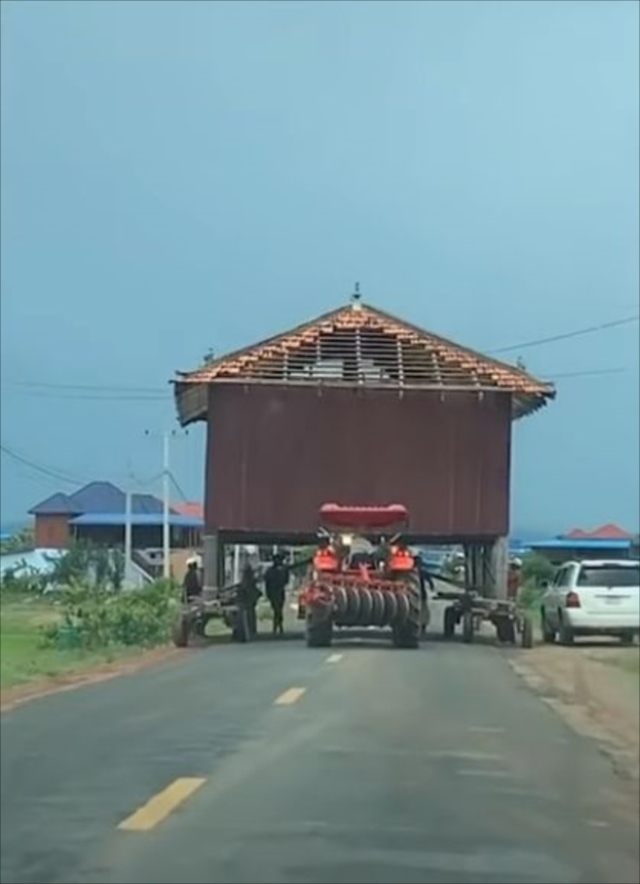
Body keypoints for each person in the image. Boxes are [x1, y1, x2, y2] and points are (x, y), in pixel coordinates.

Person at [264, 554, 289, 635]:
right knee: (277, 610)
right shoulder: (270, 571)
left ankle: (277, 626)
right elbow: (267, 583)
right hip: (274, 592)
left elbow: (286, 581)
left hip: (279, 592)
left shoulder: (282, 570)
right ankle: (278, 626)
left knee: (278, 610)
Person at [238, 563, 261, 638]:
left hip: (249, 600)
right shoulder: (247, 580)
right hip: (248, 601)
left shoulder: (248, 580)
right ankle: (251, 629)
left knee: (250, 615)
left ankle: (252, 629)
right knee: (249, 616)